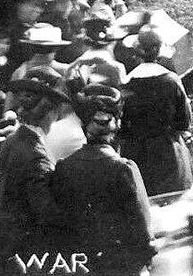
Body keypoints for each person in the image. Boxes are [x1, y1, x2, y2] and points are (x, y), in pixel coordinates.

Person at [53, 85, 155, 275]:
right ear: (117, 125)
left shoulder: (64, 167)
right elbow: (142, 228)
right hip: (122, 264)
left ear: (83, 126)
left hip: (82, 264)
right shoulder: (124, 169)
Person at [0, 68, 73, 264]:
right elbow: (45, 212)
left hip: (0, 238)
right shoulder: (37, 155)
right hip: (23, 250)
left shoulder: (12, 139)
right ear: (51, 112)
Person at [120, 26, 193, 195]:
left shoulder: (127, 83)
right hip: (167, 151)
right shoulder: (171, 81)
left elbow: (122, 126)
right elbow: (184, 122)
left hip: (136, 153)